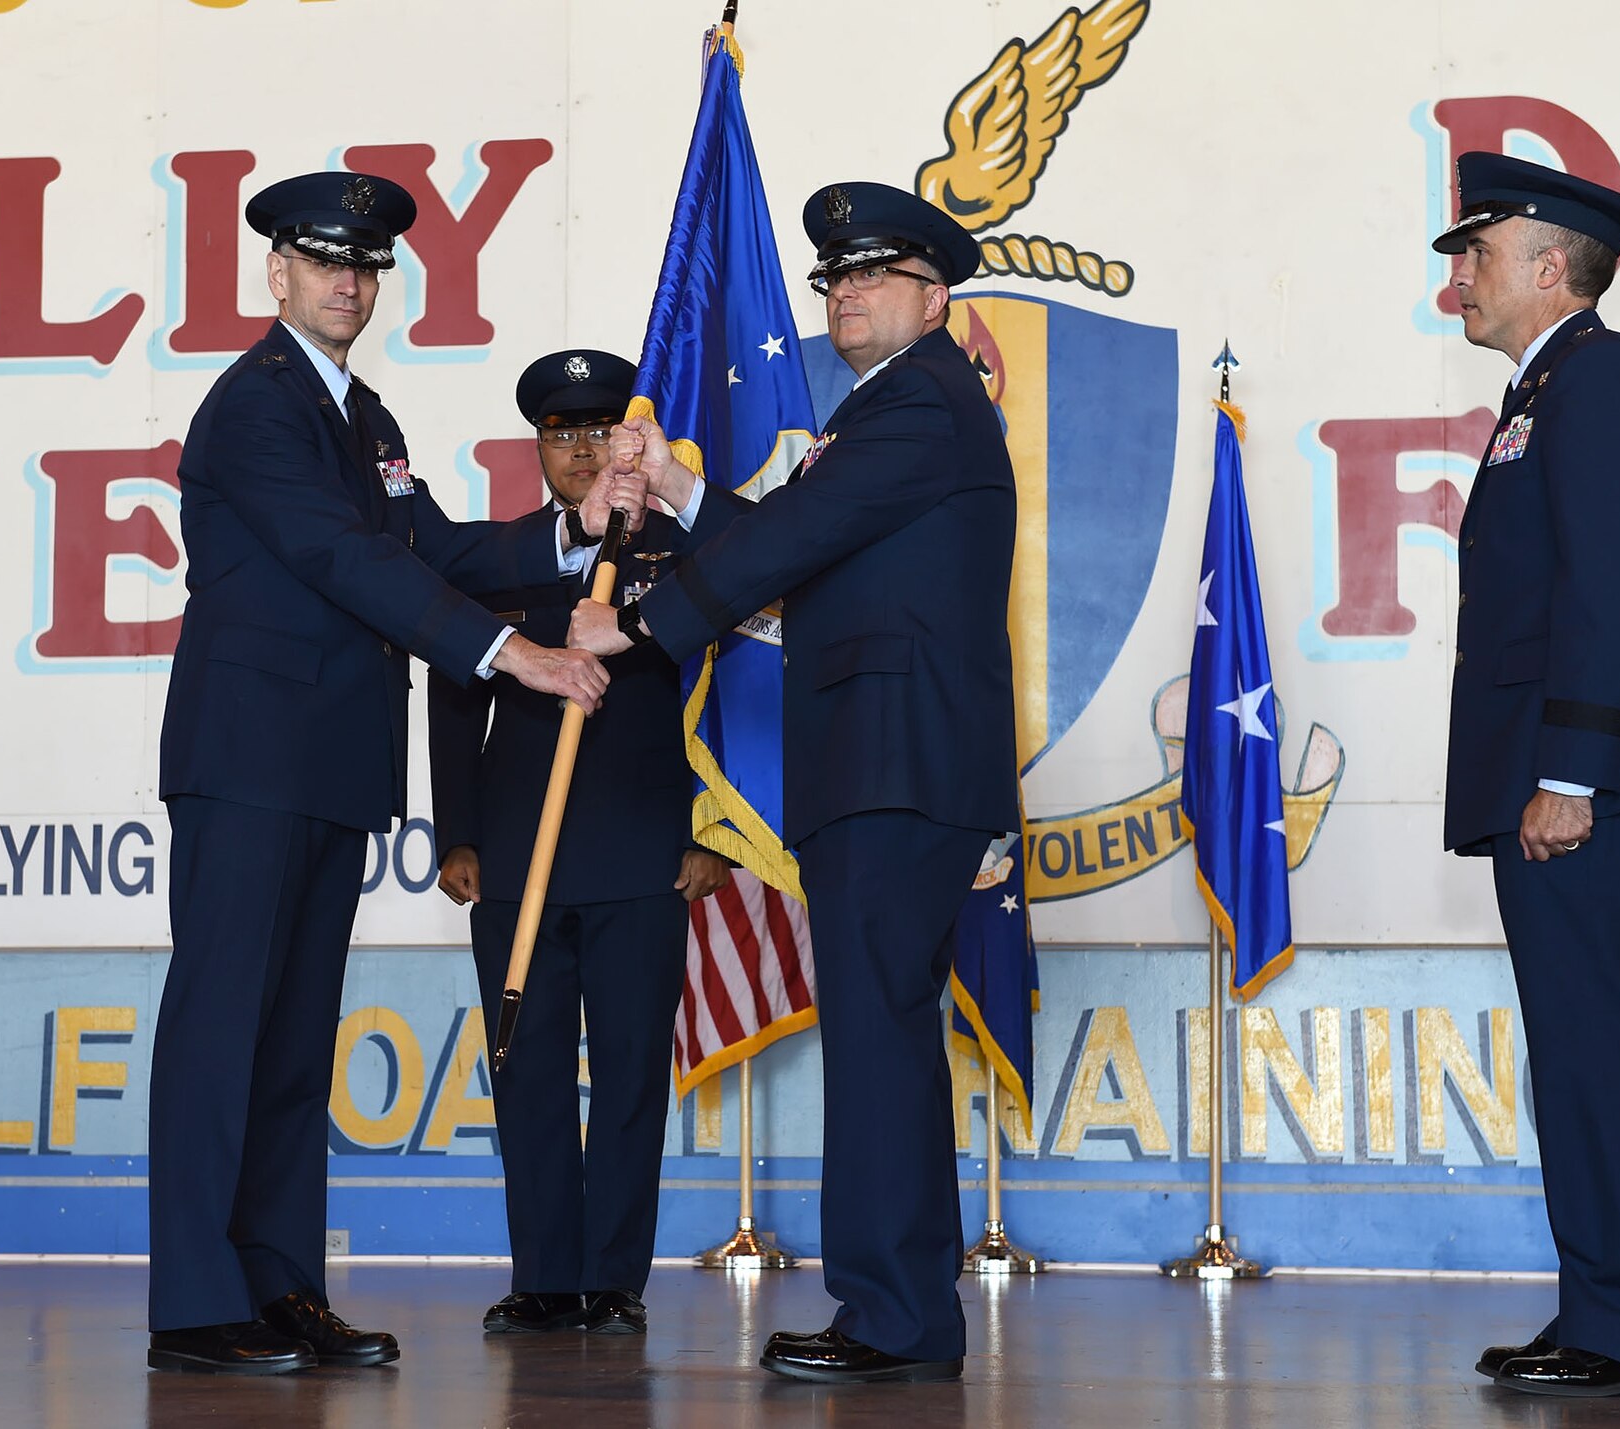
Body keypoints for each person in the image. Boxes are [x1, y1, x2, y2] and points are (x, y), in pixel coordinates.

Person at [148, 171, 623, 1375]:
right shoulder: (254, 407)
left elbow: (441, 548)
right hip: (250, 758)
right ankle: (200, 1303)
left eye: (365, 265)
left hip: (328, 767)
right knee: (221, 1032)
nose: (349, 281)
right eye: (324, 261)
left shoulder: (368, 422)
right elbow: (341, 557)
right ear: (278, 274)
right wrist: (511, 651)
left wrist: (575, 532)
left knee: (294, 1038)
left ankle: (279, 1285)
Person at [567, 180, 1018, 1384]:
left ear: (933, 297)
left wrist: (640, 624)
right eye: (833, 278)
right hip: (876, 765)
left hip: (894, 763)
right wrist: (674, 489)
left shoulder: (919, 403)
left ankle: (892, 1317)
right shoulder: (883, 414)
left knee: (877, 1043)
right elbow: (797, 530)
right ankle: (900, 1313)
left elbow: (794, 541)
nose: (843, 293)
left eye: (871, 274)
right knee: (880, 1041)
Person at [1436, 152, 1620, 1399]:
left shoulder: (1595, 383)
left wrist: (1568, 773)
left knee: (1596, 1048)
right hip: (1563, 782)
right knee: (1580, 1048)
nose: (1456, 278)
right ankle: (1604, 1309)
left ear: (1548, 264)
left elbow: (1608, 597)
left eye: (1474, 254)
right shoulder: (1548, 388)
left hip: (1579, 789)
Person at [427, 349, 732, 1338]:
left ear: (627, 445)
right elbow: (450, 686)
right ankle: (546, 1277)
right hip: (516, 851)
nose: (580, 450)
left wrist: (711, 831)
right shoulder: (504, 556)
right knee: (527, 1073)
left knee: (634, 1070)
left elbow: (724, 699)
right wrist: (458, 828)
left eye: (599, 432)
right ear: (539, 448)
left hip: (646, 847)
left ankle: (612, 1279)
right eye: (562, 434)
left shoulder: (685, 560)